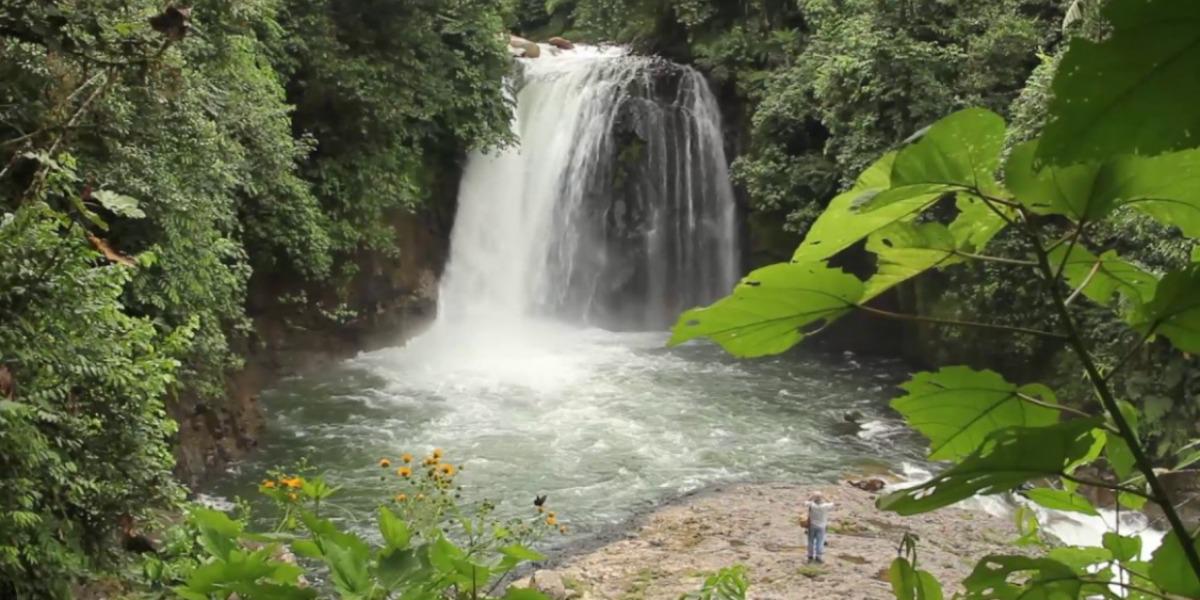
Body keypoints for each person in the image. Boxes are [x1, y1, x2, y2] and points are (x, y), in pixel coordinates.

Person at [805, 492, 833, 564]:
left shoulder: (812, 505)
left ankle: (810, 555)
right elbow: (832, 503)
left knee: (810, 541)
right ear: (821, 498)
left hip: (812, 525)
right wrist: (825, 496)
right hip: (822, 526)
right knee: (820, 542)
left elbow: (806, 502)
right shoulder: (825, 506)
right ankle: (818, 556)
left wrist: (811, 496)